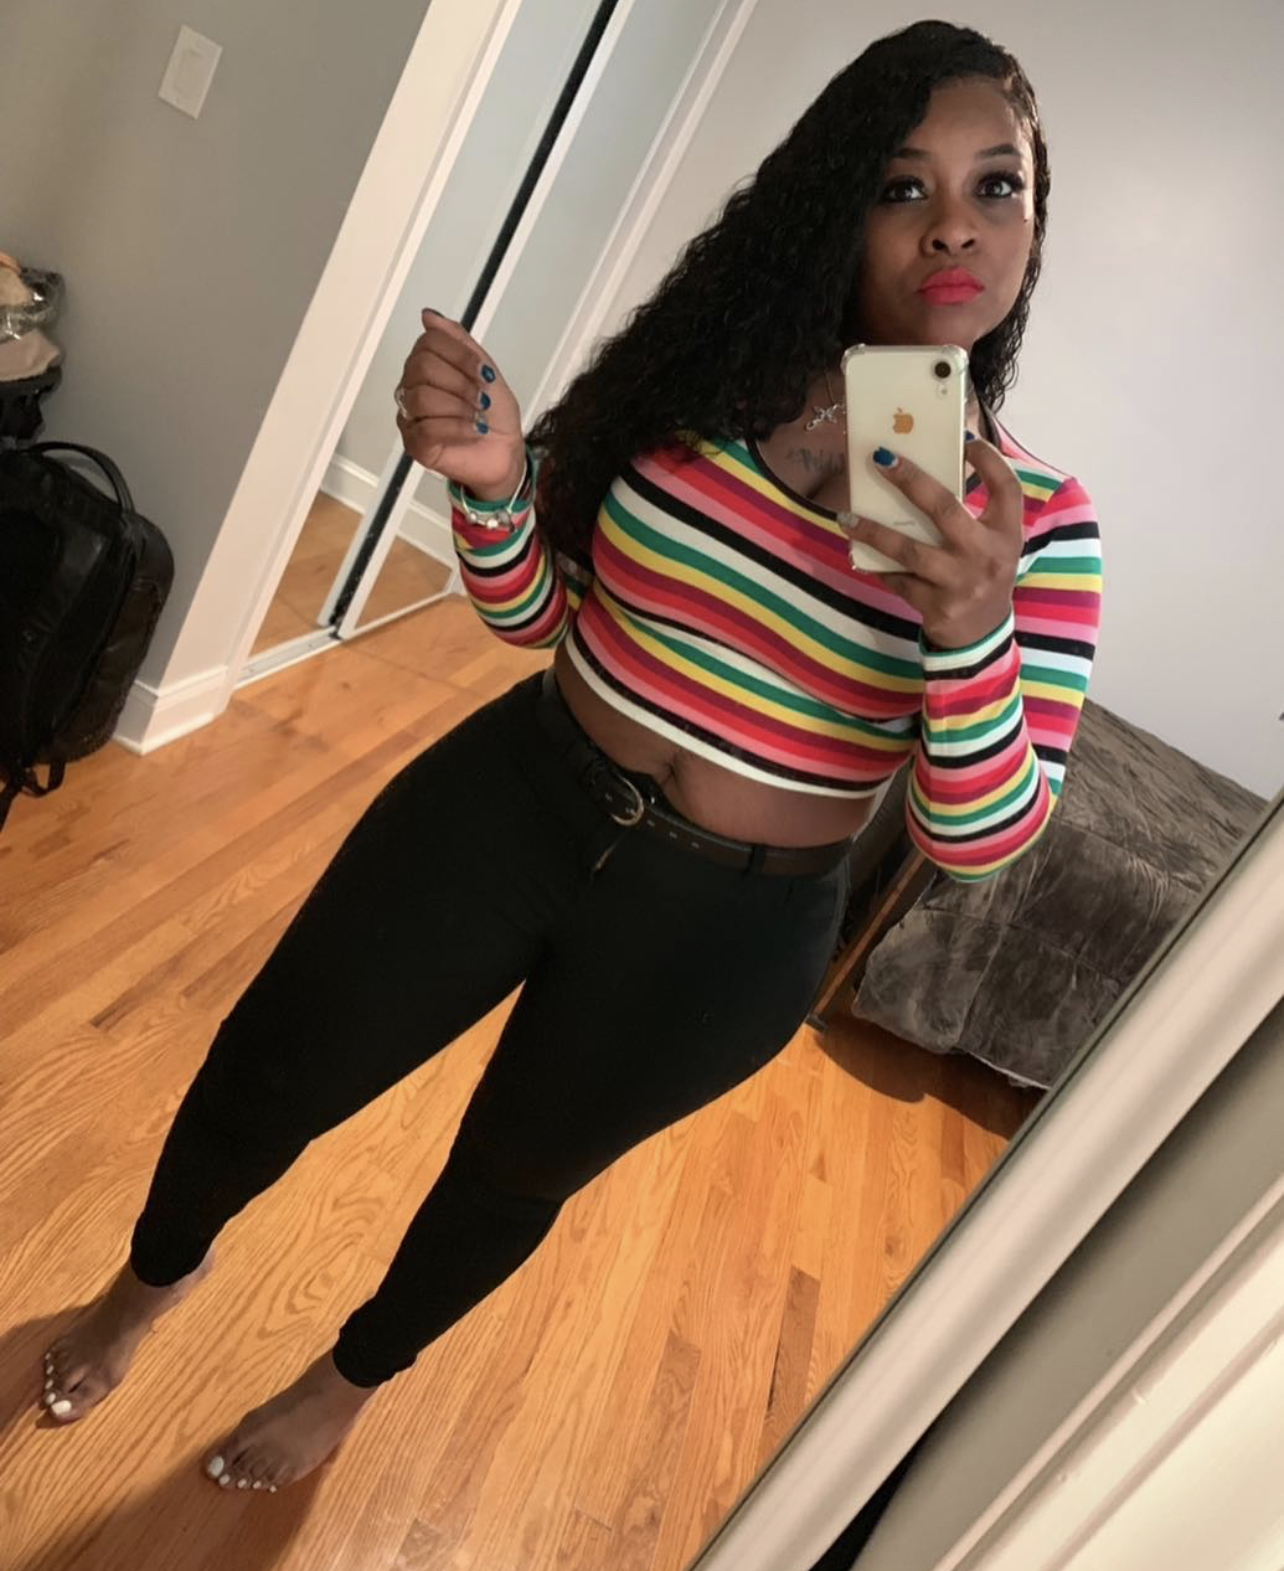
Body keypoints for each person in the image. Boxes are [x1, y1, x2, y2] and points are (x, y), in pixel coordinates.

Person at [39, 20, 1102, 1494]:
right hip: (517, 799)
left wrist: (971, 634)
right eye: (901, 185)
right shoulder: (699, 385)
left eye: (998, 187)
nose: (954, 228)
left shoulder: (1037, 522)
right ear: (833, 205)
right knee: (271, 1065)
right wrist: (492, 485)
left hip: (724, 928)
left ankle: (346, 1385)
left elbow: (978, 841)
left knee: (512, 1176)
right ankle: (144, 1285)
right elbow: (536, 615)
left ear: (1034, 227)